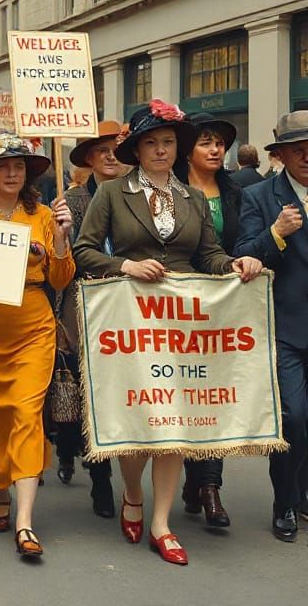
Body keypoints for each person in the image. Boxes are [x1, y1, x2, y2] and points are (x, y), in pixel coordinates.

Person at [74, 100, 262, 565]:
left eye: (168, 142)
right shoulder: (113, 193)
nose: (161, 150)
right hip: (132, 320)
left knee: (174, 418)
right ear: (137, 150)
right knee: (140, 416)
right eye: (151, 142)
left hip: (182, 326)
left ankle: (160, 521)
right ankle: (132, 492)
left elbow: (209, 255)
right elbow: (84, 251)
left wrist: (235, 264)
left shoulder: (193, 197)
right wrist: (127, 265)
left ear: (177, 148)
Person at [0, 132, 74, 559]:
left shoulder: (44, 214)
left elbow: (61, 279)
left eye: (19, 166)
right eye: (3, 166)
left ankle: (24, 520)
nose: (12, 172)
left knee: (25, 413)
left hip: (33, 327)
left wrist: (61, 237)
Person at [234, 111, 308, 542]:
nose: (306, 156)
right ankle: (284, 502)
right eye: (298, 149)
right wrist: (276, 234)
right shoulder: (261, 197)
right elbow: (245, 253)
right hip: (285, 327)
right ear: (279, 155)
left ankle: (302, 493)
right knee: (294, 418)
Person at [173, 113, 243, 529]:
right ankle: (192, 476)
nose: (216, 150)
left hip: (224, 307)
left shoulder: (237, 190)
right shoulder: (171, 191)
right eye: (206, 143)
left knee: (212, 395)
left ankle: (210, 486)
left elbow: (244, 238)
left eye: (220, 143)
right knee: (185, 394)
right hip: (177, 308)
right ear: (188, 151)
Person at [58, 120, 126, 518]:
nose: (110, 156)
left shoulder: (139, 195)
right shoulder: (74, 201)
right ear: (88, 159)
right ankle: (97, 476)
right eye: (102, 151)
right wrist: (62, 232)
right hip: (85, 301)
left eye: (115, 148)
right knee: (87, 391)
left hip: (128, 305)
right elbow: (67, 261)